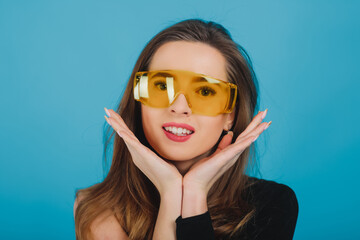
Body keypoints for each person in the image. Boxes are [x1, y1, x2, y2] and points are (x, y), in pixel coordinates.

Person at [73, 18, 298, 240]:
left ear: (230, 116)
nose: (179, 107)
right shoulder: (95, 209)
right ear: (138, 100)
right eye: (161, 85)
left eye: (205, 92)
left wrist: (194, 192)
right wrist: (170, 193)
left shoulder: (272, 205)